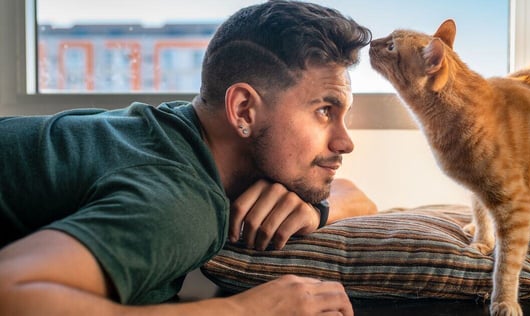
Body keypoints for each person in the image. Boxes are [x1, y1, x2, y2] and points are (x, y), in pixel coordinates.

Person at [0, 0, 375, 315]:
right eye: (325, 111)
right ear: (243, 110)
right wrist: (245, 311)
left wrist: (316, 209)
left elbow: (356, 195)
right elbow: (10, 289)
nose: (345, 142)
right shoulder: (181, 201)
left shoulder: (179, 132)